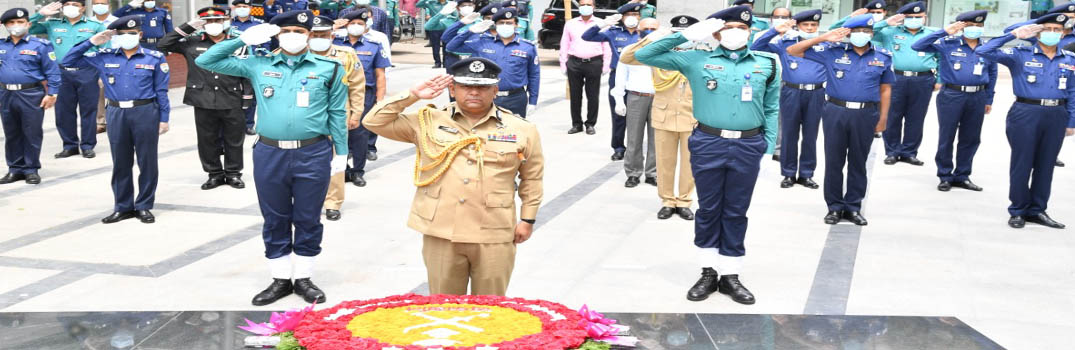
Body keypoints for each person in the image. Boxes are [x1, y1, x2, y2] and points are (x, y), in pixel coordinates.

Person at [196, 10, 348, 305]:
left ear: (309, 35)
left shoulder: (329, 67)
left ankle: (303, 278)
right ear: (276, 34)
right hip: (270, 152)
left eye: (299, 31)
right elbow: (206, 61)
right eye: (286, 30)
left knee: (307, 217)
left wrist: (341, 152)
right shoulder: (258, 63)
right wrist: (240, 39)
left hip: (312, 151)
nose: (292, 35)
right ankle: (280, 279)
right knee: (274, 217)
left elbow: (337, 112)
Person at [363, 58, 545, 296]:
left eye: (482, 87)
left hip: (494, 231)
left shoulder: (521, 129)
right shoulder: (428, 121)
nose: (473, 92)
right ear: (452, 89)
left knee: (491, 311)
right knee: (444, 309)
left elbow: (532, 177)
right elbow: (373, 121)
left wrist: (528, 219)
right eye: (466, 86)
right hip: (442, 231)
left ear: (495, 90)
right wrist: (413, 95)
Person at [636, 5, 779, 305]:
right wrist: (685, 35)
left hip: (748, 144)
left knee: (736, 210)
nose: (735, 33)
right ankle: (708, 271)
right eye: (728, 28)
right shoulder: (697, 59)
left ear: (750, 30)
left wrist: (767, 149)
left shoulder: (769, 63)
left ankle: (731, 274)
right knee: (709, 208)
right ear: (716, 32)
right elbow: (644, 55)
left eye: (741, 28)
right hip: (709, 141)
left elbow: (772, 108)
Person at [787, 14, 893, 226]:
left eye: (866, 32)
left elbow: (886, 89)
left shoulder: (883, 56)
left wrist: (883, 118)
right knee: (834, 161)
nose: (861, 35)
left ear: (872, 34)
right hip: (835, 111)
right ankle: (834, 207)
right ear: (848, 34)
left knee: (858, 162)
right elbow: (793, 51)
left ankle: (853, 207)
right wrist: (823, 37)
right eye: (856, 32)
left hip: (866, 114)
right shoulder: (832, 52)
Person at [64, 15, 171, 223]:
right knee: (120, 161)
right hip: (116, 113)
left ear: (140, 34)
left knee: (147, 161)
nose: (128, 37)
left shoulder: (154, 58)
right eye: (122, 34)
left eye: (132, 34)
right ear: (115, 36)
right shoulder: (104, 55)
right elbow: (68, 60)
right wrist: (92, 42)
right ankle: (122, 206)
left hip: (145, 111)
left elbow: (161, 91)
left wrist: (164, 118)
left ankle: (144, 205)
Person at [977, 14, 1075, 229]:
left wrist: (1071, 121)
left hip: (1056, 114)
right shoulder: (1019, 54)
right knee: (1023, 163)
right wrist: (1013, 35)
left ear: (1063, 32)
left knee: (1046, 164)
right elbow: (982, 51)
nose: (1052, 33)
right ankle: (1018, 209)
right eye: (1047, 29)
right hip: (1025, 111)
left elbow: (1072, 91)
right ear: (1037, 32)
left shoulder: (1069, 59)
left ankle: (1037, 210)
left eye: (1057, 30)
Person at [159, 7, 251, 190]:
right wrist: (186, 27)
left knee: (234, 139)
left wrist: (246, 98)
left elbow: (246, 71)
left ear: (225, 22)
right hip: (202, 98)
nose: (213, 25)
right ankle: (214, 174)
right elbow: (163, 45)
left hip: (231, 96)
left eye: (217, 21)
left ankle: (233, 173)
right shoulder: (192, 42)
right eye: (208, 22)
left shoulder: (237, 43)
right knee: (207, 139)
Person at [621, 15, 698, 221]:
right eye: (677, 34)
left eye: (686, 34)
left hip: (693, 116)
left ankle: (683, 201)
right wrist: (654, 37)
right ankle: (667, 201)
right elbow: (627, 57)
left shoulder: (702, 54)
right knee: (664, 162)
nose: (682, 38)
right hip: (663, 115)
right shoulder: (660, 54)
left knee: (690, 163)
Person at [911, 11, 996, 192]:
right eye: (970, 26)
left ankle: (962, 175)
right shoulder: (948, 44)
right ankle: (945, 175)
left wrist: (989, 98)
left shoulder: (988, 47)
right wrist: (944, 32)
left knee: (971, 138)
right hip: (952, 95)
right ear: (961, 27)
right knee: (947, 136)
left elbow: (993, 73)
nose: (975, 29)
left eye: (978, 26)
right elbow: (917, 46)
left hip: (978, 96)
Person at [751, 9, 825, 189]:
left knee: (810, 135)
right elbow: (756, 46)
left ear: (818, 27)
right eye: (805, 25)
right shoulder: (785, 43)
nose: (809, 28)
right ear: (797, 27)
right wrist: (776, 30)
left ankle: (806, 174)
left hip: (816, 94)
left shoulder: (825, 46)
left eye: (813, 25)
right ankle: (789, 173)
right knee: (789, 134)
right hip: (791, 92)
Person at [27, 1, 104, 160]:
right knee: (63, 111)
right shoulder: (52, 24)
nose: (70, 6)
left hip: (87, 72)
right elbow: (29, 27)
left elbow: (105, 49)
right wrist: (40, 14)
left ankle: (88, 145)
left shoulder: (95, 25)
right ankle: (69, 146)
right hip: (61, 73)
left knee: (88, 110)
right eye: (67, 3)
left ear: (82, 7)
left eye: (75, 4)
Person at [307, 15, 365, 221]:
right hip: (306, 117)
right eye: (314, 35)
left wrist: (357, 113)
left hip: (337, 115)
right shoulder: (298, 54)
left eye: (323, 34)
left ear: (331, 34)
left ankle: (333, 202)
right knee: (306, 161)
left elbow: (357, 86)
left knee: (336, 160)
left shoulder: (346, 55)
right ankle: (309, 200)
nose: (318, 38)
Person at [0, 8, 61, 186]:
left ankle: (31, 169)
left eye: (20, 22)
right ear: (5, 25)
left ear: (28, 24)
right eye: (11, 23)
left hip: (31, 94)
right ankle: (15, 168)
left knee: (31, 132)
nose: (16, 26)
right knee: (11, 133)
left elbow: (53, 72)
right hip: (5, 93)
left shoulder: (40, 45)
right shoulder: (1, 45)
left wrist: (52, 94)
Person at [873, 1, 937, 166]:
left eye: (918, 17)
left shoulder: (932, 34)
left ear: (925, 17)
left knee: (916, 117)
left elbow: (942, 57)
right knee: (893, 115)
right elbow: (868, 32)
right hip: (896, 78)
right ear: (902, 17)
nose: (914, 19)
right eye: (910, 17)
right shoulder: (889, 32)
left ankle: (909, 152)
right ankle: (892, 151)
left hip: (923, 79)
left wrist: (941, 79)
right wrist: (886, 22)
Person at [445, 8, 539, 118]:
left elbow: (534, 75)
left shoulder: (527, 47)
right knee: (483, 131)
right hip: (486, 96)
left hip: (515, 98)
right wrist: (469, 30)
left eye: (509, 23)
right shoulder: (482, 43)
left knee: (513, 133)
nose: (505, 25)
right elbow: (451, 46)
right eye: (501, 23)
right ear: (496, 25)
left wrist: (533, 100)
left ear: (516, 24)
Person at [334, 8, 390, 187]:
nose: (356, 27)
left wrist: (380, 100)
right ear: (346, 25)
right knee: (337, 133)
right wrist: (334, 26)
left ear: (366, 27)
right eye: (353, 24)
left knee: (359, 134)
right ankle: (342, 169)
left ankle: (358, 171)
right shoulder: (334, 42)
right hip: (337, 94)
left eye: (360, 24)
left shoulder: (373, 45)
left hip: (364, 94)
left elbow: (380, 74)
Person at [582, 3, 641, 160]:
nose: (632, 18)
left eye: (635, 15)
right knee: (618, 114)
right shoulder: (614, 32)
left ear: (640, 17)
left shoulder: (645, 34)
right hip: (617, 77)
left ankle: (636, 148)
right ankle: (619, 147)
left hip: (641, 78)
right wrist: (603, 23)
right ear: (622, 17)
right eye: (628, 15)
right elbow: (587, 36)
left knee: (640, 116)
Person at [610, 17, 657, 189]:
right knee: (634, 138)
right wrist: (618, 100)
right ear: (638, 30)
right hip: (636, 97)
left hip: (659, 98)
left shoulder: (665, 50)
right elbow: (621, 76)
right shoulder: (630, 50)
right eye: (646, 28)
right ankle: (633, 173)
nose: (649, 31)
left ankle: (653, 173)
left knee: (657, 139)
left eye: (653, 28)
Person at [560, 0, 611, 136]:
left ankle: (590, 124)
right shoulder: (570, 24)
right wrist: (564, 63)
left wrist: (606, 65)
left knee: (593, 95)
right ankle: (576, 124)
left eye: (589, 4)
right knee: (575, 96)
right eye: (582, 4)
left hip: (594, 63)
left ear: (594, 7)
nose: (585, 7)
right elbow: (564, 44)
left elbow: (606, 45)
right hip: (574, 62)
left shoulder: (601, 23)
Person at [89, 0, 117, 135]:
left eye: (103, 3)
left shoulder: (117, 22)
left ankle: (116, 119)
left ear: (109, 6)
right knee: (99, 91)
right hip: (97, 61)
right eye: (96, 3)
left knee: (116, 91)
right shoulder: (88, 23)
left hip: (117, 60)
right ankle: (100, 121)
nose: (99, 6)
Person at [425, 0, 474, 71]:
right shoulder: (450, 21)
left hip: (475, 59)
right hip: (455, 60)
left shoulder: (480, 22)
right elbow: (428, 26)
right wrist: (441, 14)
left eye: (470, 5)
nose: (467, 8)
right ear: (457, 8)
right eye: (463, 6)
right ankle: (438, 63)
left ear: (474, 6)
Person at [416, 0, 447, 67]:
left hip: (446, 28)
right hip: (434, 28)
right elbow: (418, 4)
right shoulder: (431, 3)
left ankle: (445, 63)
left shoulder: (449, 4)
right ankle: (437, 63)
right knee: (435, 46)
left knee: (446, 46)